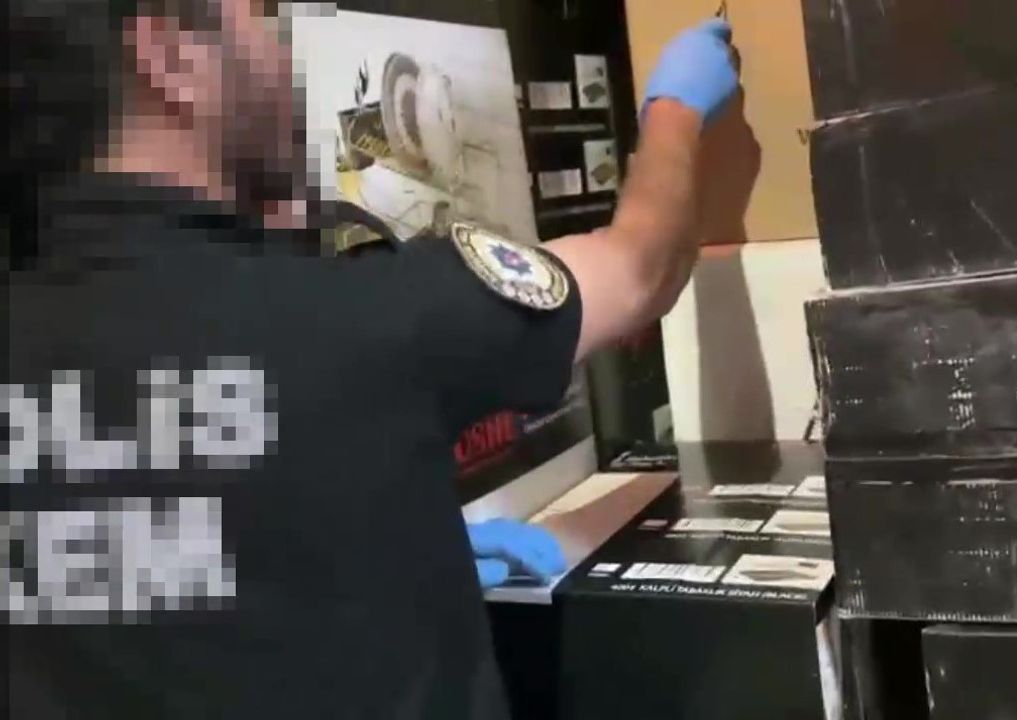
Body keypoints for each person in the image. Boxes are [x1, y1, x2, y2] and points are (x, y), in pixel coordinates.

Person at [4, 1, 759, 718]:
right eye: (255, 16)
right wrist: (675, 107)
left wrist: (385, 540)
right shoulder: (360, 317)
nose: (276, 50)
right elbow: (639, 269)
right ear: (171, 56)